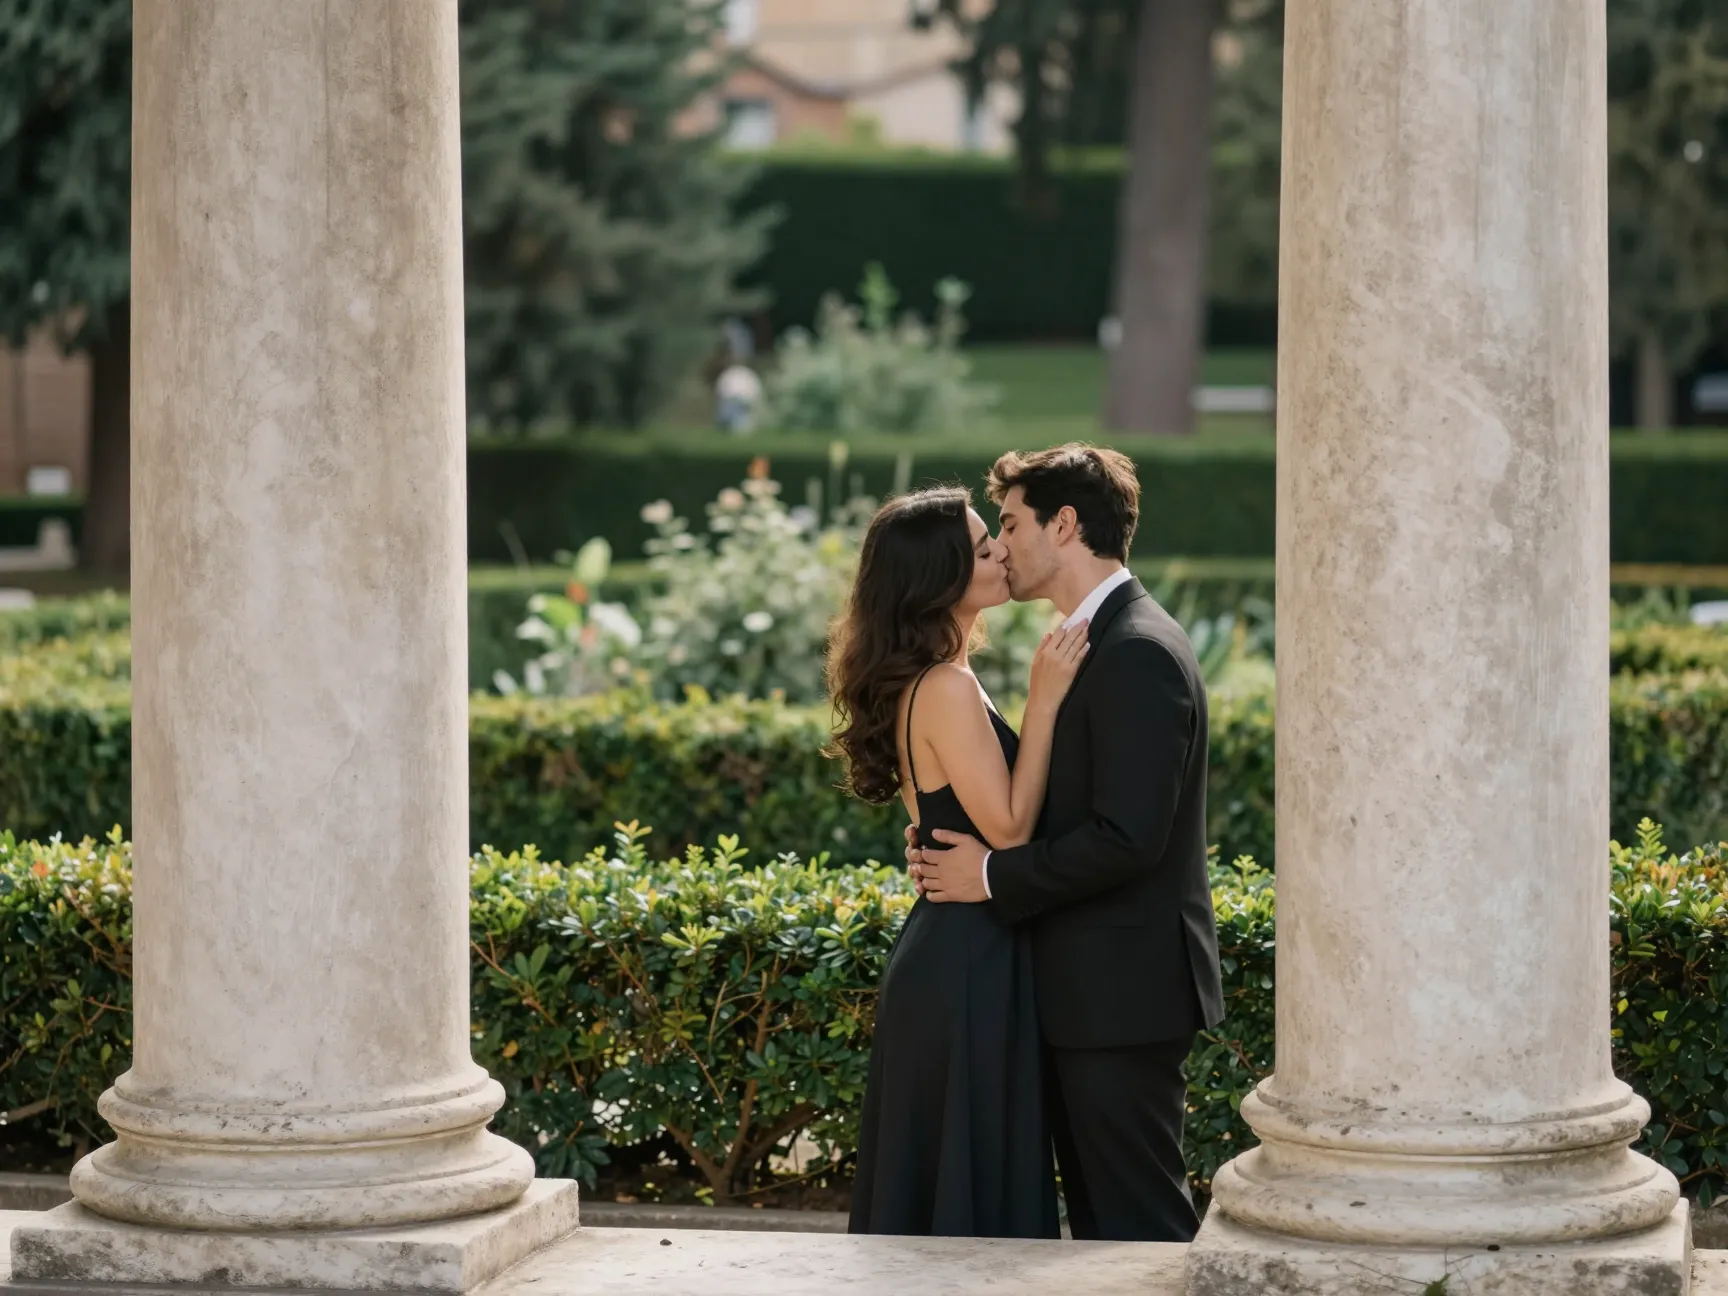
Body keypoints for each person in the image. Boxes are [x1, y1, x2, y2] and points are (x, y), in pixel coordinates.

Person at [912, 444, 1225, 1243]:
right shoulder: (1094, 644)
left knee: (1139, 1228)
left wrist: (990, 874)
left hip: (1121, 996)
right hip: (1093, 994)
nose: (1001, 545)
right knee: (1103, 1233)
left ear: (1065, 524)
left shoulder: (1137, 653)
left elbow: (1128, 841)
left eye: (1010, 524)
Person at [826, 486, 1090, 1237]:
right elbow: (1007, 830)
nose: (1002, 551)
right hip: (964, 960)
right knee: (968, 1184)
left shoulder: (937, 680)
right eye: (981, 548)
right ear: (939, 579)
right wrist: (1044, 702)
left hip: (962, 949)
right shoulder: (944, 686)